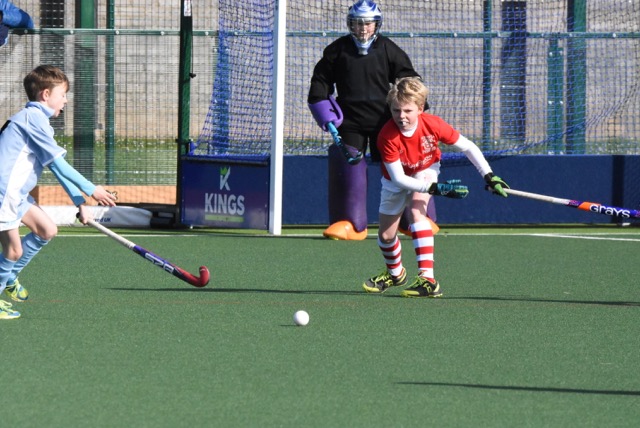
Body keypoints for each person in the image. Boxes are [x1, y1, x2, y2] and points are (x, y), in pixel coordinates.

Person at [362, 76, 509, 298]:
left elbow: (468, 147)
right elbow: (399, 179)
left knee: (416, 212)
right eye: (396, 110)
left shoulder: (433, 124)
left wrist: (489, 176)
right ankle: (395, 274)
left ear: (420, 108)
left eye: (408, 111)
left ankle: (428, 280)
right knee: (386, 236)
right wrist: (436, 189)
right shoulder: (386, 136)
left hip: (426, 167)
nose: (401, 116)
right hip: (396, 179)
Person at [308, 0, 434, 240]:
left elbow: (408, 79)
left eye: (368, 23)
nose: (363, 29)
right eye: (357, 23)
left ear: (377, 25)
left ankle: (415, 218)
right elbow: (320, 82)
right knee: (348, 164)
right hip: (349, 121)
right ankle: (350, 223)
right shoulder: (336, 51)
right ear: (350, 24)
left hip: (386, 121)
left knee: (406, 164)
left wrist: (417, 110)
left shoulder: (388, 49)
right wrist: (323, 110)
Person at [0, 65, 117, 319]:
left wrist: (79, 202)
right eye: (63, 94)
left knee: (47, 230)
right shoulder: (32, 119)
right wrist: (92, 189)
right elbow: (59, 165)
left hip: (16, 195)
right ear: (45, 94)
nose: (66, 100)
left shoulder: (37, 120)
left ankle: (8, 276)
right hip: (4, 194)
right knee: (13, 251)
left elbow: (55, 167)